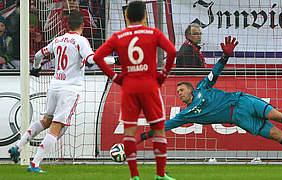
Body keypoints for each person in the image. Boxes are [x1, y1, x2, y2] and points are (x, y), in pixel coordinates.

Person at [139, 36, 282, 164]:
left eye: (181, 89)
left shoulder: (203, 87)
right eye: (177, 91)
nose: (179, 93)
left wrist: (225, 57)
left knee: (277, 115)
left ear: (191, 89)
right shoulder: (186, 114)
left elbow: (215, 73)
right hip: (240, 119)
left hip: (242, 101)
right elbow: (163, 127)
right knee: (277, 135)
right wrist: (139, 138)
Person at [93, 1, 176, 180]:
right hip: (149, 85)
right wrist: (163, 75)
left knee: (129, 132)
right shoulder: (154, 33)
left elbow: (97, 57)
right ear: (145, 16)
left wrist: (114, 77)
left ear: (127, 16)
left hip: (129, 87)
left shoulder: (118, 36)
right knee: (158, 130)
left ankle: (134, 176)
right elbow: (172, 52)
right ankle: (160, 175)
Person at [8, 10, 95, 172]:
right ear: (83, 25)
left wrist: (36, 69)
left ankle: (18, 147)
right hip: (70, 89)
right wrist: (114, 60)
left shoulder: (58, 40)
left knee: (46, 121)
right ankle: (34, 164)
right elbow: (90, 60)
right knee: (56, 127)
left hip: (54, 86)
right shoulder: (81, 41)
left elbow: (39, 54)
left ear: (67, 25)